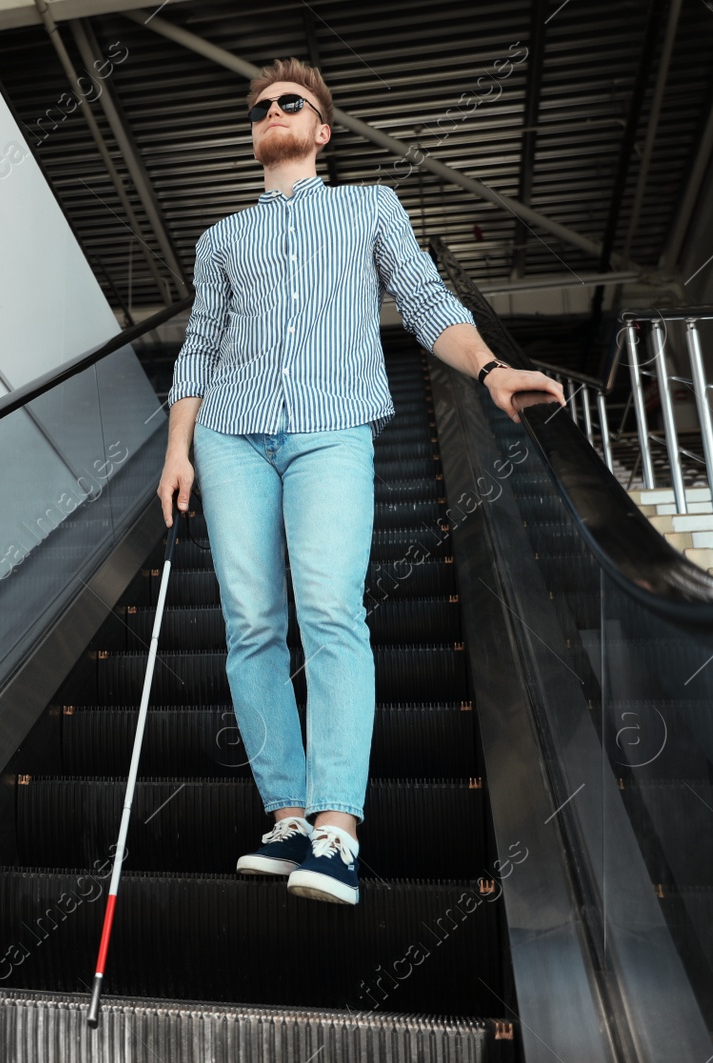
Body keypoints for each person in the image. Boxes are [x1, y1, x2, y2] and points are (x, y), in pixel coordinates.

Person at [156, 57, 563, 905]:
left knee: (330, 608)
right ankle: (289, 814)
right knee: (251, 623)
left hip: (331, 428)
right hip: (229, 435)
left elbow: (420, 293)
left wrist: (490, 369)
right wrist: (177, 448)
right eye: (261, 105)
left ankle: (338, 830)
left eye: (289, 101)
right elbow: (198, 345)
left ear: (322, 130)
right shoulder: (221, 238)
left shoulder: (368, 206)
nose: (272, 110)